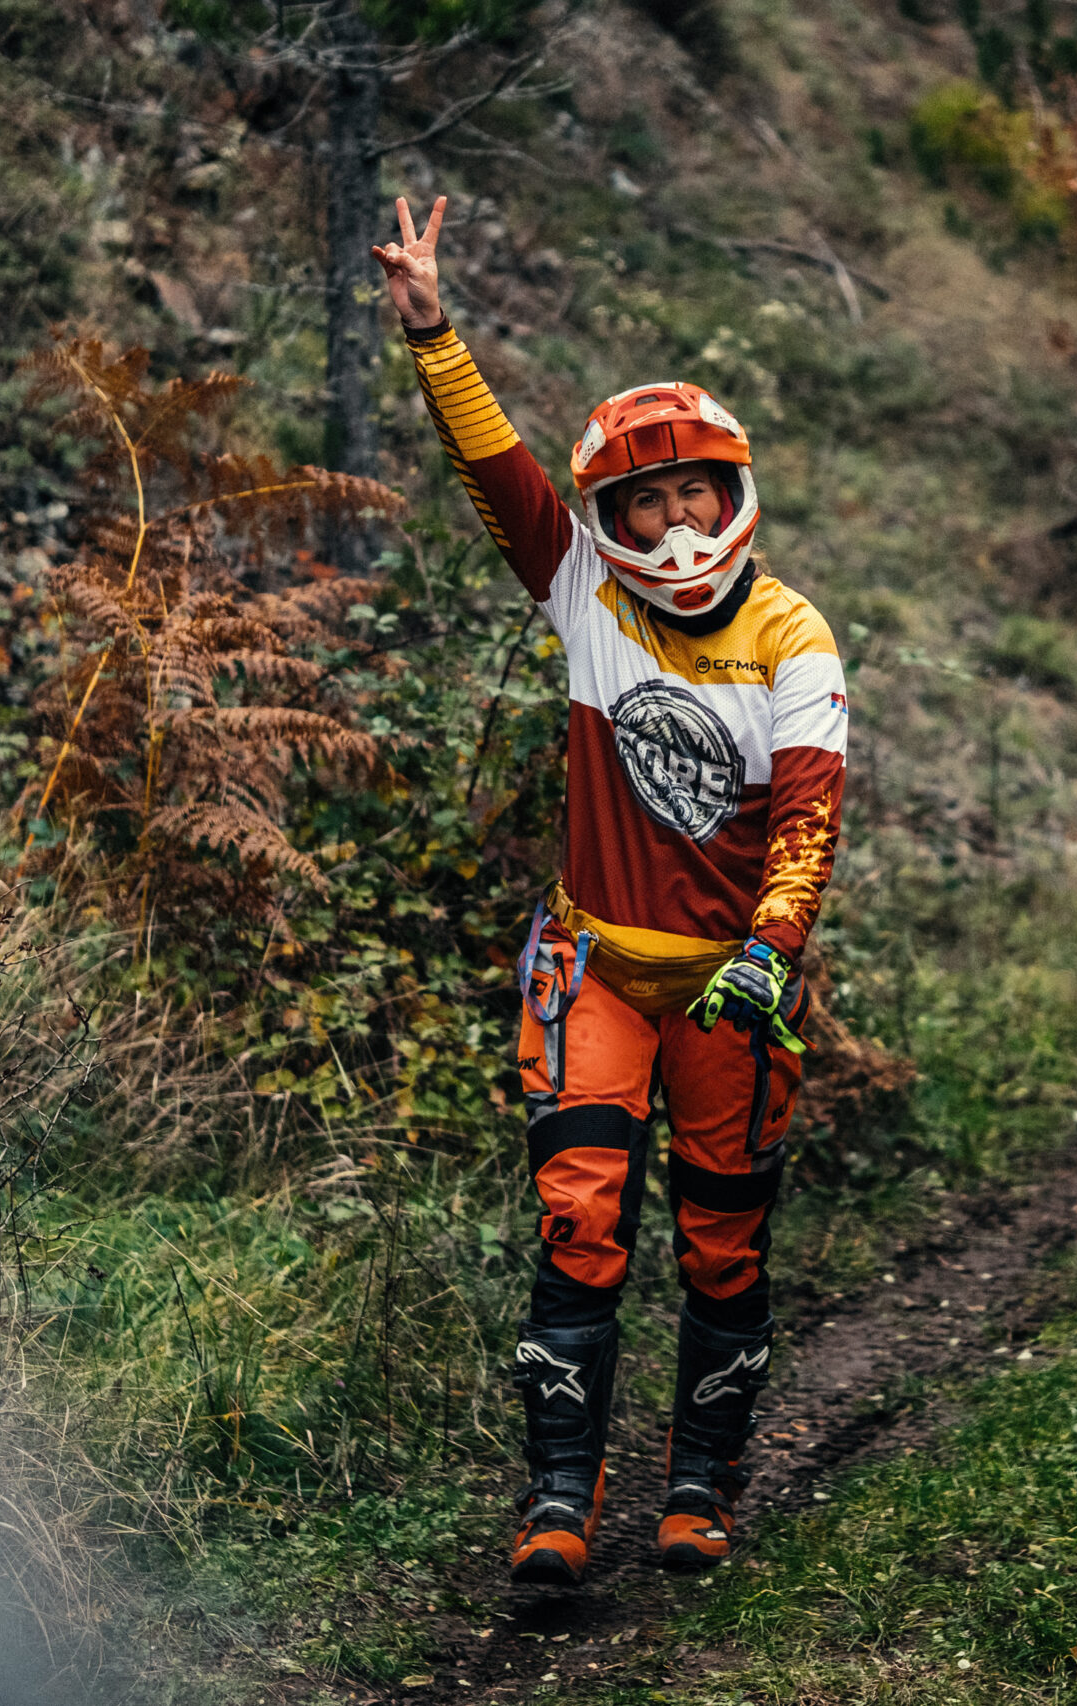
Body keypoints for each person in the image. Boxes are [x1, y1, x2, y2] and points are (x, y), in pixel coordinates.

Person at [374, 197, 849, 1585]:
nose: (675, 519)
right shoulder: (583, 587)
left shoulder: (793, 633)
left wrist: (771, 946)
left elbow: (809, 818)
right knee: (580, 1225)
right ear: (612, 516)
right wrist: (433, 332)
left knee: (722, 1241)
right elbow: (499, 473)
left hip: (730, 979)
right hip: (594, 965)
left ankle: (701, 1484)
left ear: (731, 492)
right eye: (645, 499)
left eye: (693, 490)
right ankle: (557, 1500)